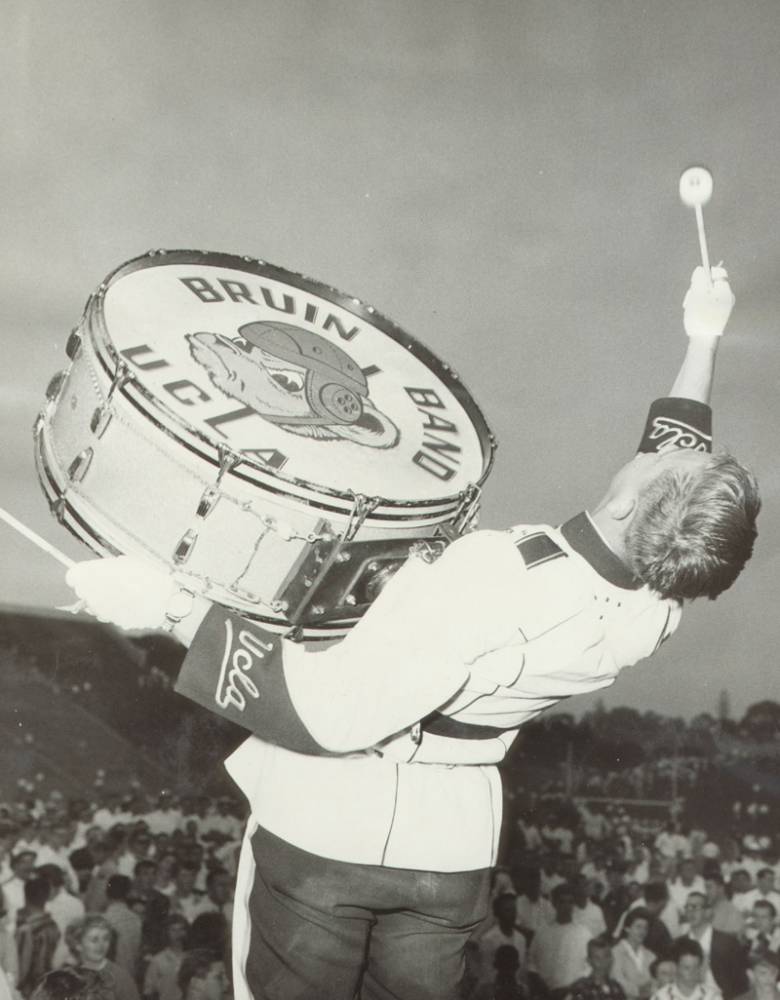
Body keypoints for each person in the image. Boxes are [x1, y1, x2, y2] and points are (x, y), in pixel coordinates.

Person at [67, 266, 760, 1000]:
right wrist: (703, 337)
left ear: (630, 503)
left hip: (330, 823)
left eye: (661, 456)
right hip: (451, 848)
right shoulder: (661, 602)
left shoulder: (497, 576)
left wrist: (169, 608)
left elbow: (326, 712)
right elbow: (680, 469)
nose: (657, 443)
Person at [676, 891, 748, 999]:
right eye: (687, 907)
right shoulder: (679, 944)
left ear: (708, 912)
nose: (690, 912)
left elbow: (741, 984)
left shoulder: (728, 942)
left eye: (695, 907)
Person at [527, 883, 591, 993]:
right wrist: (541, 986)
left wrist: (572, 989)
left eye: (570, 902)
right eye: (562, 902)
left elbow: (589, 967)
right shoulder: (542, 932)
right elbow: (531, 962)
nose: (566, 906)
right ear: (554, 904)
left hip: (572, 994)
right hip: (545, 994)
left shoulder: (584, 933)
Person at [66, 915, 140, 1000]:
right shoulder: (70, 976)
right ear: (78, 945)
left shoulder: (121, 979)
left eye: (106, 939)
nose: (101, 945)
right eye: (94, 940)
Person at [650, 940, 720, 1000]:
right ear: (676, 968)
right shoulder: (661, 997)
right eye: (687, 968)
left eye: (696, 967)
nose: (692, 973)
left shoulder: (712, 997)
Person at [611, 909, 656, 1000]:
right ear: (627, 928)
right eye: (638, 927)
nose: (642, 931)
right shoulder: (615, 953)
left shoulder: (651, 955)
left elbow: (657, 982)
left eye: (645, 928)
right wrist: (639, 991)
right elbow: (618, 982)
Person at [143, 914, 189, 1000]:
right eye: (173, 930)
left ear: (186, 932)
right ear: (167, 932)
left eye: (181, 929)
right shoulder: (158, 960)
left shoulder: (191, 958)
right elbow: (149, 992)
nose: (177, 934)